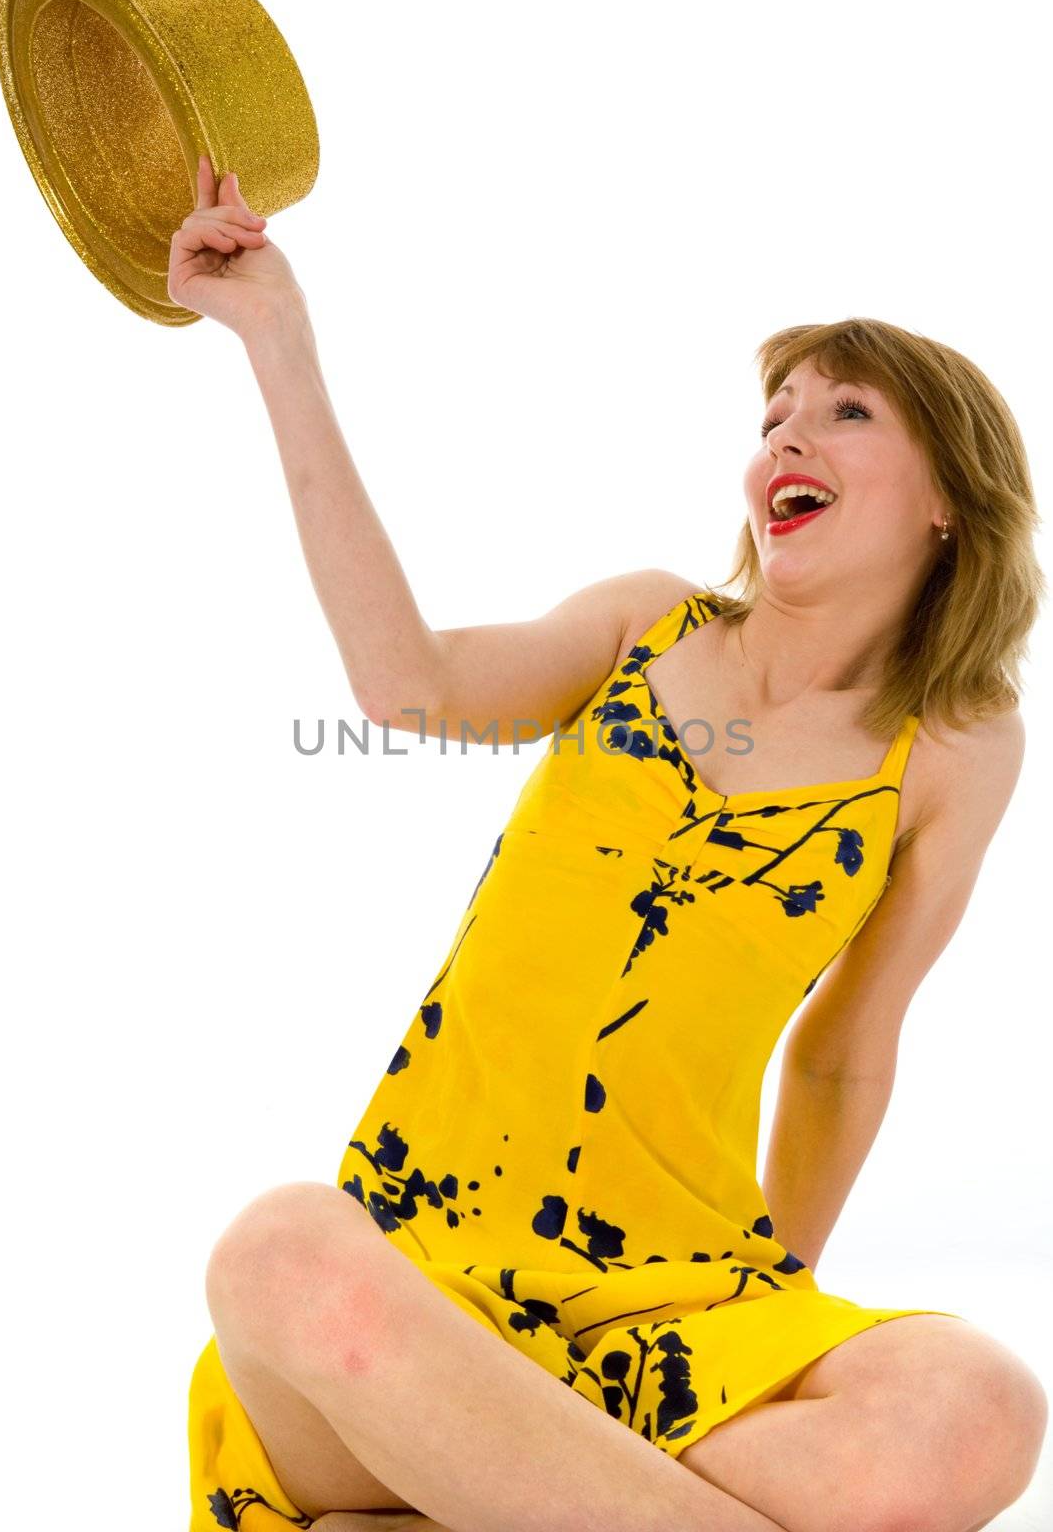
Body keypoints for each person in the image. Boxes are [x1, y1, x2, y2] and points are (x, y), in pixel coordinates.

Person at [176, 155, 1048, 1532]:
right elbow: (407, 686)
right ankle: (537, 1479)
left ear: (951, 499)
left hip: (664, 1315)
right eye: (773, 417)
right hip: (414, 1296)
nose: (785, 440)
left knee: (981, 1405)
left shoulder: (953, 755)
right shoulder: (648, 629)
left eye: (846, 410)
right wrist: (278, 339)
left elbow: (843, 1050)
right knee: (277, 1250)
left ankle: (482, 1493)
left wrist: (774, 1303)